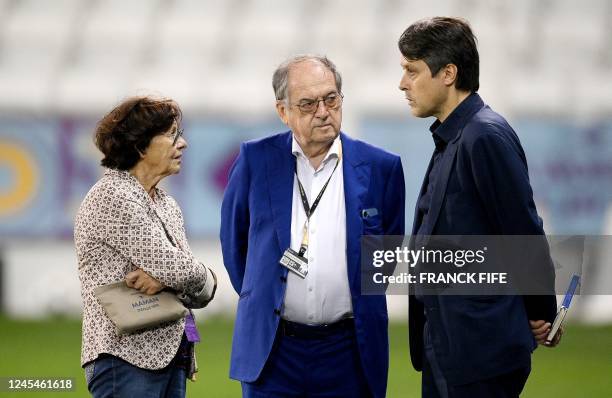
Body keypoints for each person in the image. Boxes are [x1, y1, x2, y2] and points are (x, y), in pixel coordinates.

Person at [220, 54, 405, 397]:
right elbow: (235, 247)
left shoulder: (381, 167)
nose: (323, 111)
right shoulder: (255, 160)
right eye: (307, 104)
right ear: (283, 111)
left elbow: (386, 254)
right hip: (274, 351)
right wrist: (266, 294)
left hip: (350, 352)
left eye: (331, 99)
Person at [398, 17, 561, 398]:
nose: (403, 83)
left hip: (478, 350)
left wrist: (540, 313)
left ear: (448, 73)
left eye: (412, 70)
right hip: (451, 343)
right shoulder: (456, 136)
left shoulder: (484, 136)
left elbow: (522, 232)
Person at [75, 96, 217, 398]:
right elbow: (179, 270)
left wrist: (174, 280)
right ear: (140, 146)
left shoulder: (167, 204)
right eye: (171, 134)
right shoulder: (112, 197)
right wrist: (193, 277)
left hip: (172, 359)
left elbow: (194, 293)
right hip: (125, 359)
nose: (183, 144)